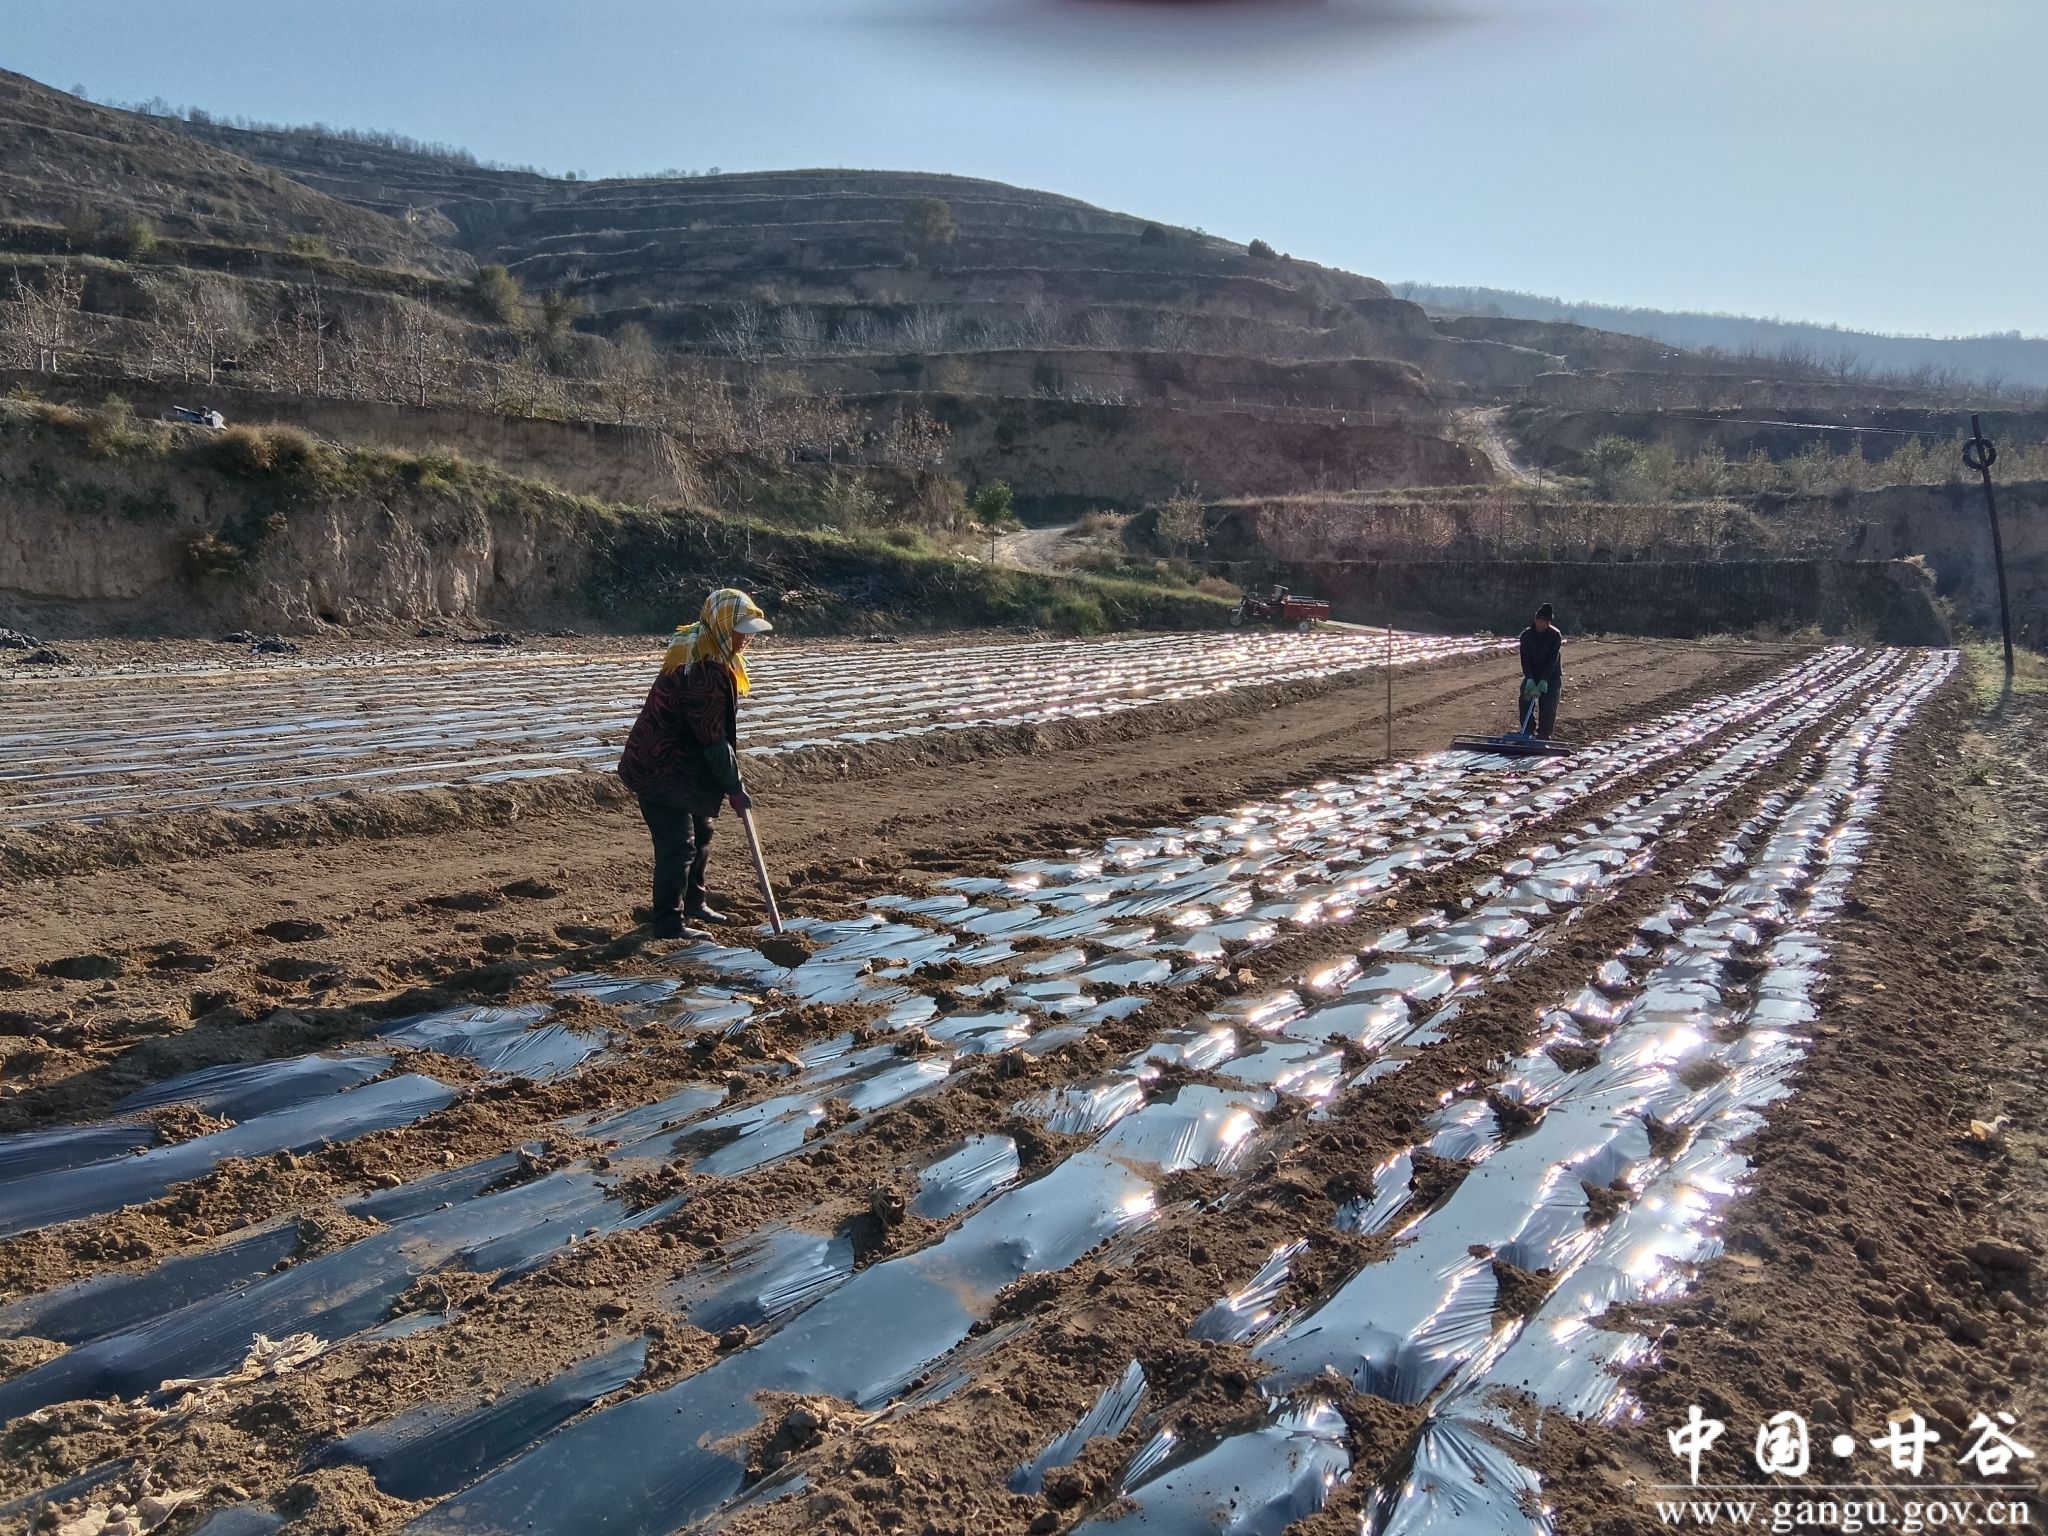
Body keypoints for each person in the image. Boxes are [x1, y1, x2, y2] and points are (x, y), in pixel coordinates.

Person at [617, 588, 772, 937]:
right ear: (722, 627)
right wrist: (735, 788)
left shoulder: (709, 651)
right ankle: (668, 923)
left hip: (681, 765)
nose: (747, 639)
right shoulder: (701, 671)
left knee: (703, 831)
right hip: (657, 768)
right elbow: (713, 740)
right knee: (678, 845)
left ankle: (693, 903)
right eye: (741, 631)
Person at [1517, 602, 1564, 739]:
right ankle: (1527, 731)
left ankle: (1544, 735)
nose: (1542, 624)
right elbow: (1525, 659)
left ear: (1549, 622)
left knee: (1548, 707)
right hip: (1532, 675)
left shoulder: (1555, 635)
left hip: (1551, 676)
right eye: (1540, 621)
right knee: (1525, 702)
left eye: (1546, 622)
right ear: (1536, 619)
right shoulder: (1526, 636)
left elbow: (1552, 660)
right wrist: (1530, 679)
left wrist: (1544, 680)